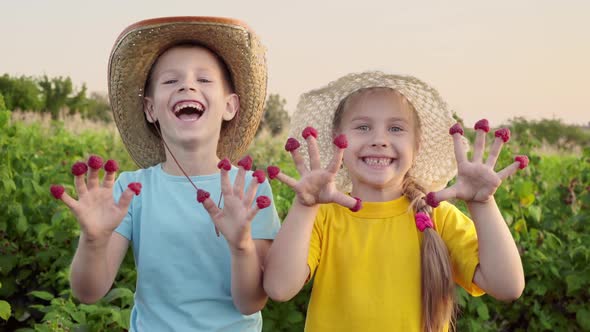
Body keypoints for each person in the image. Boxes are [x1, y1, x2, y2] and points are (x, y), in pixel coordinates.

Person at [50, 17, 280, 331]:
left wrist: (241, 245)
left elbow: (251, 302)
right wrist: (93, 240)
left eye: (204, 79)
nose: (188, 85)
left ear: (230, 106)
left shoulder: (252, 190)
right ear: (150, 109)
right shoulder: (131, 189)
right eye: (171, 81)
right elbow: (89, 292)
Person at [263, 71, 526, 331]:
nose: (379, 140)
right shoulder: (322, 217)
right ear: (336, 139)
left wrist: (483, 205)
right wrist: (304, 207)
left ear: (417, 144)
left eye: (396, 128)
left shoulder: (438, 217)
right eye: (363, 127)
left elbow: (507, 286)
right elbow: (278, 287)